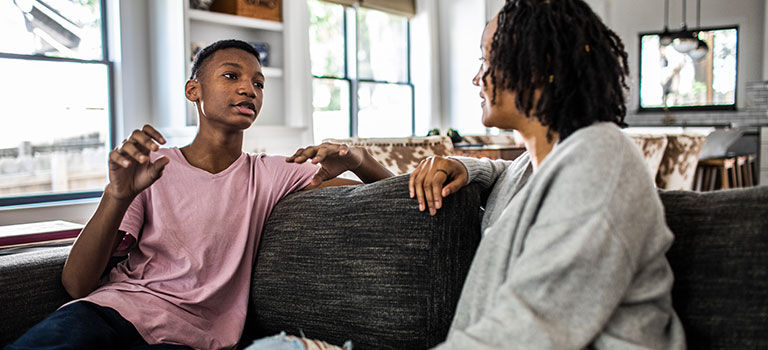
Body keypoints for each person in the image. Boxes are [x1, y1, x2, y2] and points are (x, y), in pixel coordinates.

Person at [285, 0, 687, 349]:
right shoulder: (539, 165)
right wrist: (466, 166)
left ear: (539, 65)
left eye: (487, 57)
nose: (477, 77)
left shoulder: (600, 160)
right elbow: (509, 177)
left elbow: (530, 331)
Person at [5, 39, 392, 350]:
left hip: (191, 338)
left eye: (258, 83)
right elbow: (77, 284)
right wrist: (117, 194)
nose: (249, 89)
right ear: (195, 90)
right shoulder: (152, 167)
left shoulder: (271, 173)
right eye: (231, 75)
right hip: (106, 312)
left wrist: (359, 158)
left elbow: (389, 196)